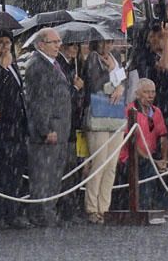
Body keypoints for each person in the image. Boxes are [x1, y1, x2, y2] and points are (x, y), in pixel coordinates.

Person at [0, 31, 30, 230]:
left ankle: (12, 211)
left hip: (16, 125)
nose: (4, 47)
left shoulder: (12, 64)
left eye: (8, 43)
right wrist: (1, 68)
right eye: (0, 43)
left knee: (15, 171)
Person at [24, 28, 72, 228]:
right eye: (53, 42)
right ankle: (41, 213)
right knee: (43, 174)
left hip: (60, 127)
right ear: (41, 44)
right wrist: (45, 129)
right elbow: (39, 101)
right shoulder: (38, 66)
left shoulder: (53, 64)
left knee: (54, 174)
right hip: (48, 129)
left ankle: (49, 211)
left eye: (59, 41)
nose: (58, 46)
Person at [82, 39, 125, 223]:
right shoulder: (92, 59)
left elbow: (123, 81)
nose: (108, 46)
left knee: (111, 166)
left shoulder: (115, 57)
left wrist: (120, 86)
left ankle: (104, 207)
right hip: (98, 115)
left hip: (115, 117)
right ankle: (92, 207)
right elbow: (93, 84)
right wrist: (109, 73)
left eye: (110, 42)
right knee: (99, 162)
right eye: (105, 42)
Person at [119, 79, 168, 210]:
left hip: (151, 155)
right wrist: (153, 161)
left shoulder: (156, 111)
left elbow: (163, 136)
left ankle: (166, 206)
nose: (151, 95)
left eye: (153, 92)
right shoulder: (130, 111)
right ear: (137, 94)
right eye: (146, 92)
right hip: (129, 157)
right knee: (149, 168)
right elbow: (131, 142)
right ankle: (144, 208)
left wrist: (164, 159)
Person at [56, 40, 85, 222]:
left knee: (74, 168)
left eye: (77, 46)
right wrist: (75, 88)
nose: (75, 49)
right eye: (72, 45)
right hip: (65, 124)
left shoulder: (74, 66)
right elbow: (64, 97)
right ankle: (65, 209)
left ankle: (71, 206)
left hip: (75, 123)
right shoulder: (60, 66)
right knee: (66, 169)